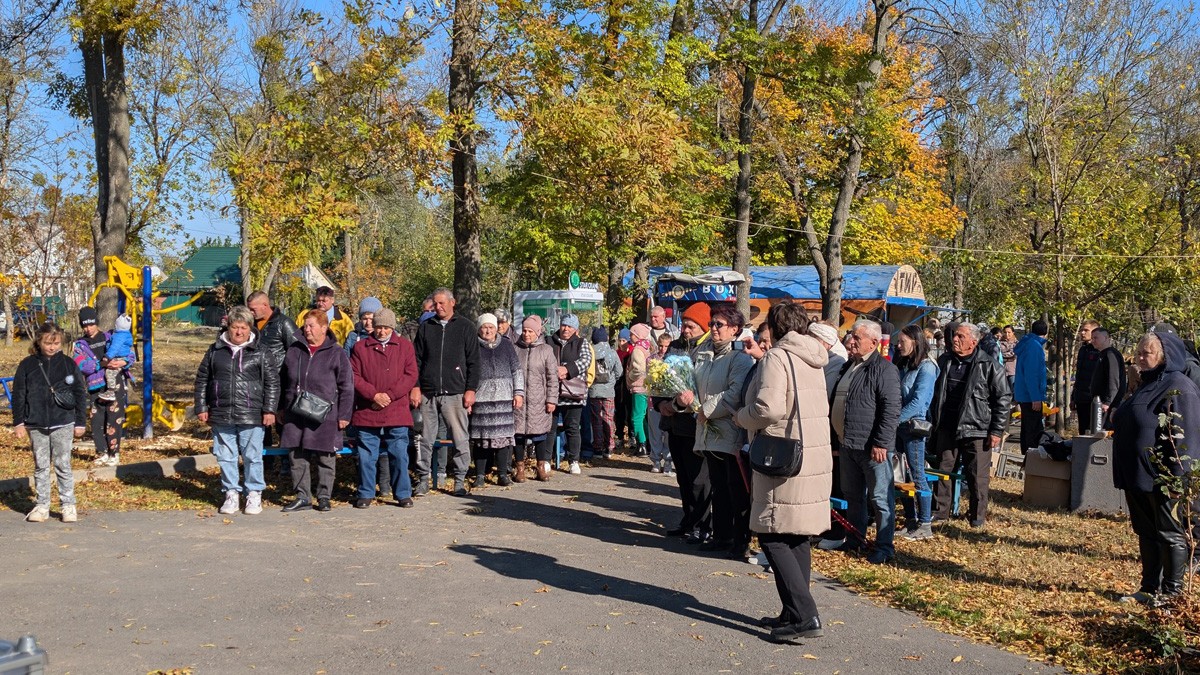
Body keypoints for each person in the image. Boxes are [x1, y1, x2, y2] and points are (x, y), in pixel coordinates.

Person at [734, 303, 831, 643]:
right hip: (812, 453)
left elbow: (769, 408)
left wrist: (741, 417)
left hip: (782, 455)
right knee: (797, 535)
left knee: (772, 534)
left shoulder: (777, 357)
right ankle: (792, 610)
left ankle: (805, 613)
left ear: (774, 327)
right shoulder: (814, 356)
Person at [1111, 331, 1200, 604]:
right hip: (1137, 476)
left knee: (1170, 534)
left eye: (1145, 353)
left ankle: (1172, 595)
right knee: (1146, 532)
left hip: (1162, 478)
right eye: (1138, 352)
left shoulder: (1179, 386)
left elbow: (1186, 436)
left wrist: (1176, 478)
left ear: (1164, 355)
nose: (1139, 357)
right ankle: (1149, 589)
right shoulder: (1146, 383)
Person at [194, 306, 280, 515]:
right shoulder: (215, 350)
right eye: (235, 327)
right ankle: (231, 492)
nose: (239, 332)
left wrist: (269, 410)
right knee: (226, 456)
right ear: (228, 327)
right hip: (221, 413)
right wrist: (201, 406)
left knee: (252, 456)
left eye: (243, 327)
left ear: (250, 328)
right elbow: (202, 380)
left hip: (252, 414)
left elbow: (272, 382)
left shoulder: (261, 351)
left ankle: (254, 494)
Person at [830, 320, 901, 564]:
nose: (851, 341)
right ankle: (855, 541)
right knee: (854, 497)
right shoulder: (850, 366)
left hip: (872, 448)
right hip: (848, 444)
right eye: (851, 336)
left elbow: (891, 409)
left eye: (857, 338)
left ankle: (884, 546)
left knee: (880, 498)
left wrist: (881, 442)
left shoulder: (884, 369)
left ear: (873, 342)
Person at [929, 323, 1011, 528]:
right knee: (943, 470)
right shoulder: (945, 361)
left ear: (973, 342)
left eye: (960, 336)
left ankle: (977, 516)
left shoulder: (989, 365)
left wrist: (996, 431)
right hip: (947, 427)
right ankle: (940, 513)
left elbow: (1003, 399)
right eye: (955, 336)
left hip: (977, 429)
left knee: (977, 476)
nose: (955, 339)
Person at [692, 306, 755, 559]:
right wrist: (689, 401)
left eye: (719, 324)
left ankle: (739, 540)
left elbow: (735, 392)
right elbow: (695, 384)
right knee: (718, 485)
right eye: (712, 324)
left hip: (729, 431)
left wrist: (706, 409)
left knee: (735, 488)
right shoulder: (705, 354)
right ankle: (721, 535)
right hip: (708, 431)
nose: (714, 329)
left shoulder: (739, 358)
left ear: (735, 329)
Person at [13, 322, 89, 523]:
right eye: (48, 343)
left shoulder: (67, 364)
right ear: (39, 341)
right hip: (36, 423)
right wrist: (18, 422)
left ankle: (68, 505)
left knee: (63, 464)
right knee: (40, 465)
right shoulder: (27, 365)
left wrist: (80, 422)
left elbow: (79, 393)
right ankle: (42, 505)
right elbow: (19, 394)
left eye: (56, 343)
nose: (52, 347)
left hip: (63, 421)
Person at [279, 310, 354, 513]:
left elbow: (347, 386)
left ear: (324, 327)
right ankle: (302, 496)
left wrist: (345, 415)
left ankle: (324, 497)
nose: (307, 329)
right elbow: (283, 380)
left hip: (325, 414)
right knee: (297, 455)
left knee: (325, 456)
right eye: (305, 325)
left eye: (311, 325)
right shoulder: (295, 349)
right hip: (295, 411)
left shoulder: (336, 352)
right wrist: (281, 407)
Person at [412, 288, 480, 496]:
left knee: (460, 438)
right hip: (428, 393)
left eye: (441, 303)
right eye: (435, 303)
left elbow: (474, 362)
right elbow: (416, 361)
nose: (438, 307)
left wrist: (470, 389)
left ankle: (459, 480)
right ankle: (423, 479)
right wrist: (415, 386)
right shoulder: (426, 328)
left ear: (453, 302)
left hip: (456, 392)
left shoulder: (466, 327)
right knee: (425, 438)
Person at [351, 308, 419, 507]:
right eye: (379, 327)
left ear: (392, 327)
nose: (381, 332)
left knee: (399, 454)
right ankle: (365, 493)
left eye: (386, 328)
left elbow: (410, 375)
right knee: (366, 455)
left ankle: (403, 493)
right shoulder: (361, 348)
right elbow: (354, 375)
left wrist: (388, 396)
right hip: (367, 408)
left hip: (396, 408)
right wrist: (373, 395)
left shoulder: (405, 347)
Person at [658, 302, 713, 544]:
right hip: (673, 421)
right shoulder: (677, 347)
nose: (686, 330)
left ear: (703, 326)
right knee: (682, 476)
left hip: (696, 424)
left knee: (699, 479)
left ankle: (704, 524)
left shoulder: (710, 348)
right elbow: (660, 378)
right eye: (684, 325)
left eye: (691, 326)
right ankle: (688, 519)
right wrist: (660, 403)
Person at [894, 324, 939, 541]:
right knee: (901, 475)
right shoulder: (906, 365)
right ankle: (910, 520)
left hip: (914, 428)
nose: (898, 345)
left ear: (915, 342)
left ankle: (925, 523)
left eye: (903, 341)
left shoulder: (927, 368)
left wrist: (892, 420)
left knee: (918, 474)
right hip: (900, 426)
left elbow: (918, 402)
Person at [470, 313, 524, 488]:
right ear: (479, 329)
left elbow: (517, 371)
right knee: (481, 440)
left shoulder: (506, 345)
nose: (487, 330)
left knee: (502, 439)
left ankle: (502, 474)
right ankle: (479, 475)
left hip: (504, 398)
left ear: (496, 329)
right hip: (481, 399)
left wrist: (518, 392)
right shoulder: (473, 346)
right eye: (484, 327)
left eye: (491, 327)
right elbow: (466, 372)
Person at [72, 307, 130, 468]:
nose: (88, 328)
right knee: (97, 420)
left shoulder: (110, 337)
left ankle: (114, 453)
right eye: (84, 325)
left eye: (91, 324)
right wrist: (102, 363)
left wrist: (123, 362)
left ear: (96, 322)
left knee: (114, 420)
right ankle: (101, 452)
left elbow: (128, 353)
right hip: (95, 387)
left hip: (115, 384)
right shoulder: (80, 345)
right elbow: (82, 365)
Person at [512, 315, 559, 482]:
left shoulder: (546, 350)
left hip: (539, 400)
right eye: (524, 330)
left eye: (530, 331)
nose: (526, 334)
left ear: (537, 332)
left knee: (540, 435)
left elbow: (552, 377)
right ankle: (520, 468)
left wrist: (551, 399)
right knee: (518, 435)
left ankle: (541, 467)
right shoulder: (516, 348)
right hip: (519, 401)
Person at [549, 314, 593, 475]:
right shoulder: (549, 341)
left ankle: (574, 460)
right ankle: (546, 460)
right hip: (552, 393)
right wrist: (554, 370)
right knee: (549, 428)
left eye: (570, 326)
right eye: (563, 325)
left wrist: (567, 369)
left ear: (575, 329)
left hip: (573, 394)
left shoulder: (582, 343)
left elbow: (586, 361)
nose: (566, 329)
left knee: (572, 428)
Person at [587, 327, 622, 460]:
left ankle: (597, 447)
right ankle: (609, 447)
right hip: (609, 391)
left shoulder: (591, 352)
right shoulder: (612, 353)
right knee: (608, 418)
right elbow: (619, 372)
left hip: (594, 390)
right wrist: (611, 381)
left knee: (596, 419)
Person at [1013, 320, 1048, 453]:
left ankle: (1028, 458)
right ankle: (1032, 459)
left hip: (1025, 394)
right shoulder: (1034, 346)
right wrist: (1036, 397)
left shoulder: (1027, 343)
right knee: (1033, 430)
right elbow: (1032, 374)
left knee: (1028, 428)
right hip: (1030, 396)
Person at [624, 323, 654, 457]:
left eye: (632, 334)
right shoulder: (648, 347)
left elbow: (639, 368)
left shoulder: (637, 350)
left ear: (637, 335)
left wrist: (630, 377)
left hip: (639, 386)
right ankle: (649, 443)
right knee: (643, 417)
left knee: (636, 417)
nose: (630, 337)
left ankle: (641, 445)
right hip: (648, 386)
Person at [646, 333, 674, 474]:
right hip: (654, 401)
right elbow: (649, 379)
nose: (663, 349)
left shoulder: (674, 360)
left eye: (666, 346)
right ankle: (656, 459)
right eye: (661, 346)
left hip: (670, 401)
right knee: (655, 432)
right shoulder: (651, 359)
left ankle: (668, 460)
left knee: (668, 434)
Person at [247, 291, 299, 366]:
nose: (250, 312)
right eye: (249, 309)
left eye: (253, 309)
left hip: (277, 374)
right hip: (255, 373)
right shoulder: (251, 324)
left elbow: (296, 352)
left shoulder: (284, 323)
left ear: (265, 305)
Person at [1090, 327, 1127, 429]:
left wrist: (1107, 402)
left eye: (1096, 338)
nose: (1093, 341)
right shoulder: (1102, 355)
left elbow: (1113, 380)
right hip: (1099, 403)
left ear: (1106, 338)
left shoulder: (1111, 355)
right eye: (1092, 338)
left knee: (1102, 433)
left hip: (1106, 406)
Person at [1072, 320, 1102, 434]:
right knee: (1083, 431)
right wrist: (1074, 396)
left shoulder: (1100, 351)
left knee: (1094, 431)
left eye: (1086, 330)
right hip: (1081, 397)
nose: (1082, 333)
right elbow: (1079, 375)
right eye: (1081, 330)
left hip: (1094, 399)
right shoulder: (1083, 349)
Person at [97, 314, 133, 403]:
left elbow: (115, 348)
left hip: (117, 357)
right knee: (118, 371)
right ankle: (123, 384)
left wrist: (107, 356)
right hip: (122, 356)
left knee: (109, 372)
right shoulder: (126, 334)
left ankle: (111, 390)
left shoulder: (119, 336)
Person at [806, 323, 845, 397]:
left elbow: (828, 393)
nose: (810, 343)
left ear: (825, 342)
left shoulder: (837, 362)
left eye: (814, 339)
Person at [614, 327, 633, 450]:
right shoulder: (616, 353)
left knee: (630, 412)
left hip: (629, 386)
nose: (621, 343)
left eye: (624, 340)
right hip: (618, 387)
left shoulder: (632, 352)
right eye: (620, 340)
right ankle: (620, 436)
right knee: (620, 412)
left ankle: (632, 436)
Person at [999, 325, 1018, 392]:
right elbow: (999, 353)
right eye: (1005, 332)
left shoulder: (1017, 343)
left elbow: (1013, 354)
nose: (1007, 334)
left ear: (1013, 332)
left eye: (1009, 332)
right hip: (1001, 370)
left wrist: (1003, 355)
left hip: (1012, 370)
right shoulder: (999, 343)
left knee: (1013, 390)